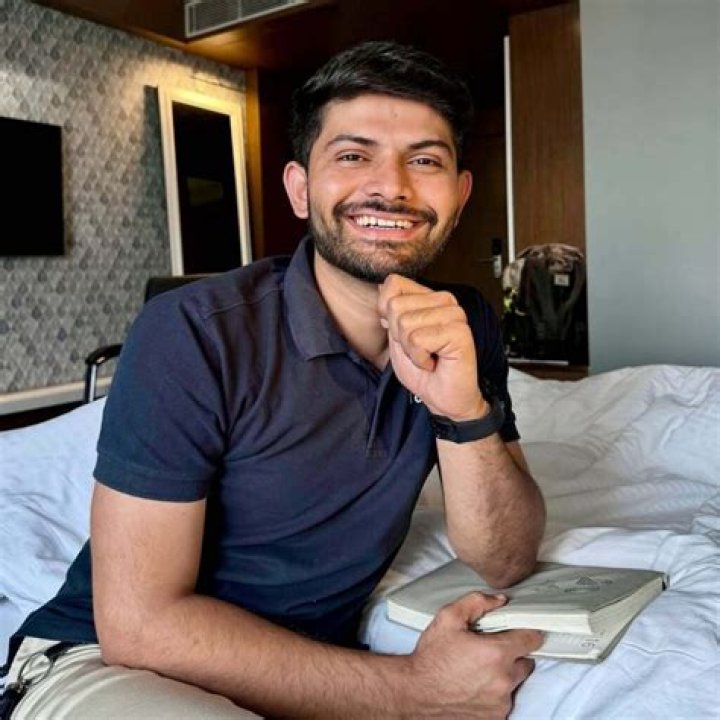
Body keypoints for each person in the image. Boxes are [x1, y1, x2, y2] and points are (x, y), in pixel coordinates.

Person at [1, 40, 545, 719]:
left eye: (425, 160)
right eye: (353, 156)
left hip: (310, 672)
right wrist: (414, 690)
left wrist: (462, 410)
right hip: (106, 663)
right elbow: (137, 626)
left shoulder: (465, 323)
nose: (392, 187)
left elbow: (505, 560)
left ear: (459, 195)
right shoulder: (192, 333)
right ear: (299, 188)